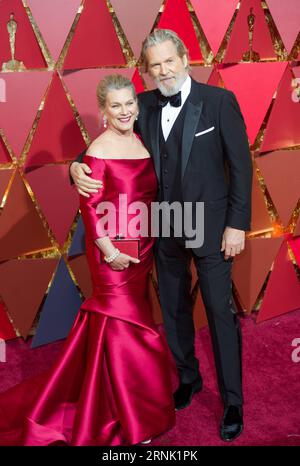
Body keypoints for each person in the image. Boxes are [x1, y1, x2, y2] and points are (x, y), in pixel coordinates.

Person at [70, 29, 252, 442]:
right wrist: (74, 167)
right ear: (146, 72)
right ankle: (188, 377)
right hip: (163, 229)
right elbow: (104, 145)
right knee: (172, 311)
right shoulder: (145, 104)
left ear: (185, 58)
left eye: (169, 61)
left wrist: (237, 224)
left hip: (210, 227)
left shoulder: (219, 102)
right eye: (154, 65)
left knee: (220, 315)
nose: (163, 71)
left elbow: (241, 167)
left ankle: (233, 402)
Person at [0, 74, 175, 446]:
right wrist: (109, 251)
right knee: (127, 326)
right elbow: (91, 208)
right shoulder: (97, 152)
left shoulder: (140, 140)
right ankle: (132, 416)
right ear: (103, 112)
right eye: (116, 106)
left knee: (124, 325)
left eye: (130, 103)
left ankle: (112, 400)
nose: (125, 111)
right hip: (111, 252)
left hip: (141, 248)